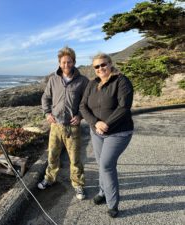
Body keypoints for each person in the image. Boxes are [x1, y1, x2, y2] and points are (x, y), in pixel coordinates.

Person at [79, 53, 133, 217]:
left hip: (119, 132)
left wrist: (106, 124)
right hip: (97, 132)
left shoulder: (121, 81)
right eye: (97, 66)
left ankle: (113, 204)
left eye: (103, 64)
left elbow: (124, 107)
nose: (100, 68)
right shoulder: (92, 84)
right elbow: (82, 106)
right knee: (100, 163)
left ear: (110, 64)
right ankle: (103, 192)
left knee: (106, 165)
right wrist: (96, 122)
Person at [38, 46, 89, 200]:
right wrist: (47, 113)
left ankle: (78, 185)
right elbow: (45, 98)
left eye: (69, 62)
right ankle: (49, 178)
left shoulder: (83, 81)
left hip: (72, 127)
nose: (66, 65)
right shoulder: (53, 80)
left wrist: (80, 115)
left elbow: (87, 102)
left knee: (75, 159)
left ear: (74, 62)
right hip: (55, 126)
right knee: (52, 155)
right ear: (59, 63)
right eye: (63, 62)